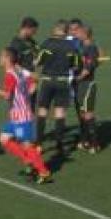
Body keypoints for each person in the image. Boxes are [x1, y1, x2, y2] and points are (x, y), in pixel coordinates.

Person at [0, 47, 51, 184]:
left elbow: (7, 96)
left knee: (27, 145)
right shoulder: (19, 69)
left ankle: (43, 171)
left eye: (1, 56)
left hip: (22, 118)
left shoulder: (10, 75)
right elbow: (35, 79)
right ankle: (27, 160)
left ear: (8, 59)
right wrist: (32, 87)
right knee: (4, 138)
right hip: (18, 116)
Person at [35, 20, 81, 154]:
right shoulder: (71, 46)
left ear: (55, 29)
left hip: (47, 80)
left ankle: (38, 144)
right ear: (66, 31)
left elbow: (38, 61)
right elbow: (76, 65)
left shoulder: (47, 43)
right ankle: (59, 144)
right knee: (60, 112)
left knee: (43, 111)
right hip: (63, 81)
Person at [75, 26, 101, 154]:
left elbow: (88, 68)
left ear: (85, 34)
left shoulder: (91, 48)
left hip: (87, 84)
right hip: (81, 85)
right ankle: (84, 141)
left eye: (79, 32)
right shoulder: (81, 46)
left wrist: (77, 78)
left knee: (88, 113)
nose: (76, 34)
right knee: (82, 114)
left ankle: (95, 144)